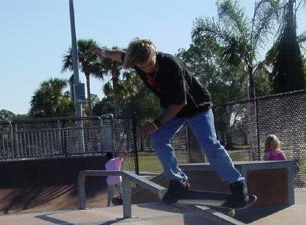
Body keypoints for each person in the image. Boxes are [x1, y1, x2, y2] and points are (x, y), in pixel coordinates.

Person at [95, 38, 250, 206]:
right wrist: (104, 52)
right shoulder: (138, 60)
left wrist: (154, 125)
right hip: (173, 107)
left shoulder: (171, 65)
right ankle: (178, 182)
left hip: (196, 107)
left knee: (210, 144)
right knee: (158, 138)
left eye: (149, 64)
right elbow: (120, 55)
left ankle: (237, 185)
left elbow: (179, 104)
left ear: (154, 54)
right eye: (142, 66)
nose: (147, 69)